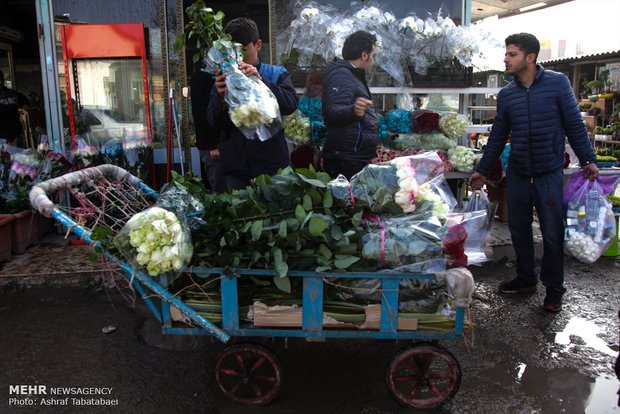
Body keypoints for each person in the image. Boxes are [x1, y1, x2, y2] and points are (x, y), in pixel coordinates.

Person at [468, 33, 599, 312]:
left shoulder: (557, 83)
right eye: (505, 53)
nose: (505, 59)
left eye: (512, 54)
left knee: (552, 232)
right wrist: (482, 170)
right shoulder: (507, 95)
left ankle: (554, 288)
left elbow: (574, 124)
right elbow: (498, 135)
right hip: (518, 172)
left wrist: (588, 159)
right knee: (518, 228)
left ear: (530, 57)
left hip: (548, 172)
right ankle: (526, 277)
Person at [207, 18, 299, 192]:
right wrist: (220, 98)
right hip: (237, 168)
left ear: (257, 45)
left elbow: (291, 104)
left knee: (275, 216)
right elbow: (214, 122)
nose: (238, 57)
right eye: (232, 51)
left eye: (243, 50)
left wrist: (262, 82)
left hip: (273, 167)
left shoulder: (275, 73)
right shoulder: (223, 79)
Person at [321, 30, 379, 180]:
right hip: (346, 160)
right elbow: (332, 112)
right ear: (364, 55)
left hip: (351, 158)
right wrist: (353, 111)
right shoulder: (342, 76)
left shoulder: (351, 75)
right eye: (373, 56)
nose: (373, 61)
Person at [191, 67, 225, 193]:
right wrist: (212, 145)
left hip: (221, 145)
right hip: (213, 147)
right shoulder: (202, 77)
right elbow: (200, 113)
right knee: (219, 188)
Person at [0, 70, 30, 147]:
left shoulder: (12, 93)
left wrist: (24, 106)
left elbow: (24, 100)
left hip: (14, 133)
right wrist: (15, 109)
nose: (0, 83)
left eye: (1, 80)